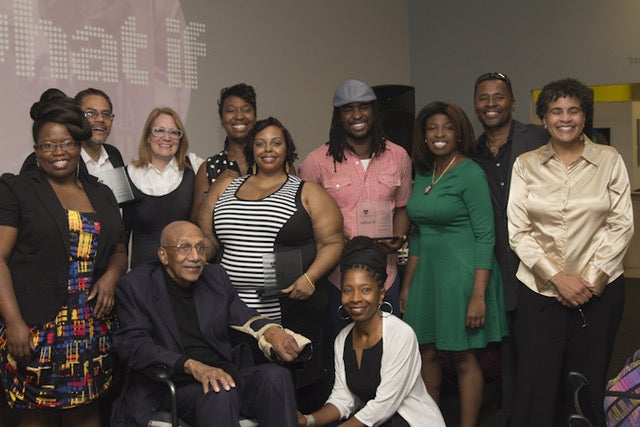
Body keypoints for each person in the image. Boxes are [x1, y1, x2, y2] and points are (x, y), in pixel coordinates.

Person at [507, 78, 633, 427]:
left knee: (586, 381)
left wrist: (589, 281)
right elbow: (518, 231)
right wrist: (558, 278)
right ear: (544, 119)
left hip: (599, 293)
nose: (565, 118)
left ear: (584, 116)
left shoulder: (609, 160)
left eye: (573, 110)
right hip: (539, 292)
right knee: (537, 383)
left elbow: (620, 224)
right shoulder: (526, 164)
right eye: (556, 111)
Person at [0, 89, 127, 426]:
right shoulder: (18, 189)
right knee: (33, 416)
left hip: (91, 328)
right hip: (35, 328)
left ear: (78, 145)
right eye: (47, 145)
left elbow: (118, 249)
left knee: (86, 414)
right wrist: (14, 324)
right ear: (36, 150)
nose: (58, 152)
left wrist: (112, 276)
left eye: (66, 143)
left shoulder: (101, 193)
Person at [199, 117, 344, 408]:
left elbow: (333, 242)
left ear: (287, 149)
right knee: (237, 388)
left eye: (276, 143)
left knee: (284, 389)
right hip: (231, 309)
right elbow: (207, 240)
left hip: (284, 307)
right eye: (261, 143)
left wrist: (310, 278)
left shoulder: (307, 192)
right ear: (251, 149)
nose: (268, 149)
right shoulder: (224, 187)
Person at [112, 221, 303, 427]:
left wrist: (271, 330)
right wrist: (191, 366)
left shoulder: (215, 277)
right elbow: (135, 347)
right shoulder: (136, 286)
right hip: (171, 385)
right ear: (163, 255)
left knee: (276, 376)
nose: (195, 257)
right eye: (184, 248)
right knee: (219, 389)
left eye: (200, 248)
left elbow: (241, 313)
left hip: (223, 375)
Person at [400, 101, 508, 427]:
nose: (439, 134)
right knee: (426, 352)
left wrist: (478, 295)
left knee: (463, 355)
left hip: (462, 275)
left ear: (459, 133)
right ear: (423, 134)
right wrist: (407, 285)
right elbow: (417, 233)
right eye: (432, 128)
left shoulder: (470, 172)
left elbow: (486, 236)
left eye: (447, 128)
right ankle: (430, 421)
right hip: (426, 276)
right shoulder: (421, 171)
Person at [298, 79, 411, 339]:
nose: (357, 115)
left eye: (363, 107)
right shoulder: (316, 162)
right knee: (339, 353)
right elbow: (304, 218)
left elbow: (403, 207)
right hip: (337, 279)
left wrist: (398, 238)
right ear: (338, 116)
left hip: (386, 275)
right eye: (348, 109)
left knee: (387, 350)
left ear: (374, 111)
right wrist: (331, 238)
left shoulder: (399, 156)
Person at [298, 236, 445, 427]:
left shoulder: (401, 335)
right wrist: (309, 421)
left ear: (381, 293)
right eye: (348, 290)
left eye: (365, 290)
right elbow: (344, 399)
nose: (355, 298)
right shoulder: (342, 339)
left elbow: (383, 406)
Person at [472, 71, 548, 426]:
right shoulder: (471, 153)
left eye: (498, 97)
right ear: (476, 105)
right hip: (498, 261)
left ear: (513, 103)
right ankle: (515, 414)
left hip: (542, 258)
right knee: (508, 346)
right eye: (484, 98)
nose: (491, 104)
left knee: (541, 344)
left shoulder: (538, 136)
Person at [123, 107, 203, 268]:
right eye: (159, 130)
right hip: (142, 277)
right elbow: (119, 238)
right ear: (147, 136)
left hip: (185, 274)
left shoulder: (196, 167)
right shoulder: (126, 174)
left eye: (174, 132)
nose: (167, 137)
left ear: (180, 139)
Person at [20, 87, 124, 176]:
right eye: (91, 113)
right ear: (76, 117)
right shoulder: (52, 159)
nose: (100, 119)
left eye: (106, 114)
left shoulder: (113, 154)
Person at [191, 83, 257, 221]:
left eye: (246, 110)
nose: (239, 116)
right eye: (231, 110)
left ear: (255, 117)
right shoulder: (209, 168)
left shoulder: (273, 163)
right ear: (221, 120)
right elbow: (196, 222)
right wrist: (215, 188)